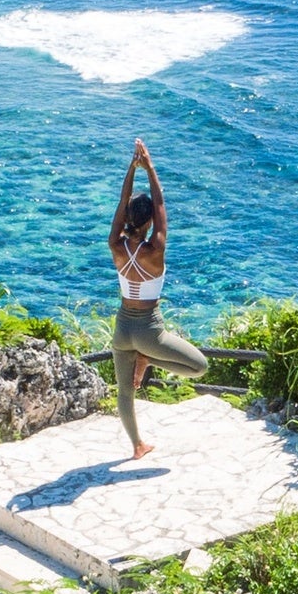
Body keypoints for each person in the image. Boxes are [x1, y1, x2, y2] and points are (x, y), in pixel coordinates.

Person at [109, 139, 207, 457]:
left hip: (122, 329)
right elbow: (161, 206)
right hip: (149, 331)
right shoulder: (155, 249)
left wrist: (131, 169)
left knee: (125, 392)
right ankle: (147, 358)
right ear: (149, 221)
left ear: (127, 219)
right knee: (199, 367)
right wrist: (149, 167)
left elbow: (122, 202)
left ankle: (137, 445)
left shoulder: (115, 245)